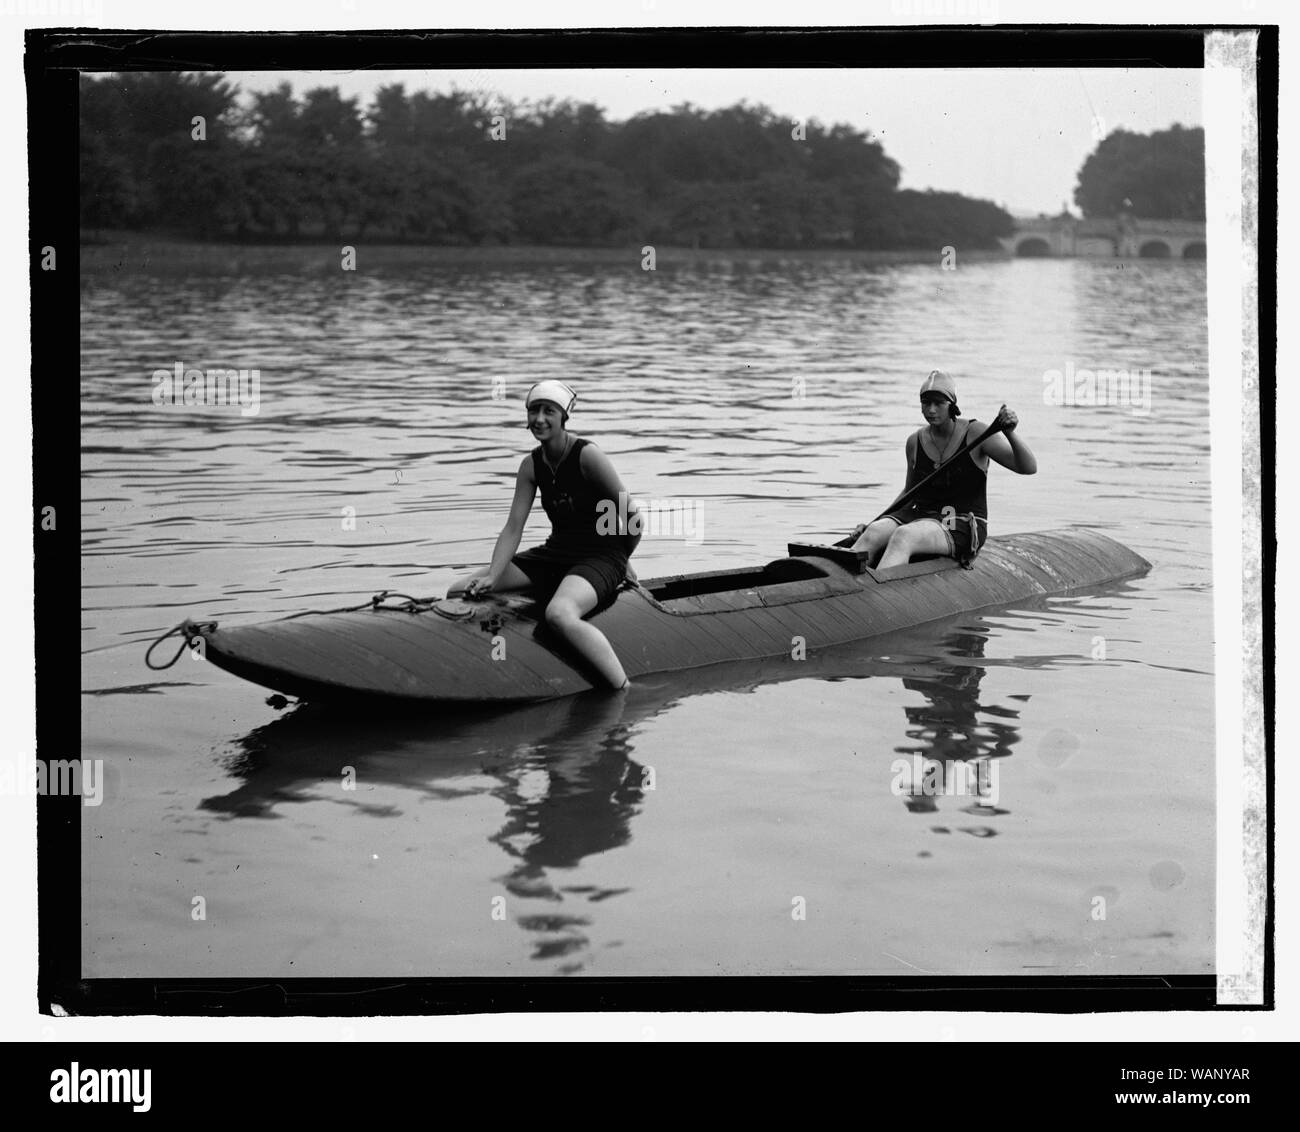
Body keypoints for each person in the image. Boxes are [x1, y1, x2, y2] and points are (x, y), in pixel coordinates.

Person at [449, 380, 639, 690]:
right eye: (533, 410)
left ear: (564, 417)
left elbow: (632, 518)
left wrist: (620, 561)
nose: (539, 419)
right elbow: (513, 527)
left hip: (599, 556)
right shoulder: (530, 466)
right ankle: (488, 662)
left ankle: (622, 688)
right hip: (555, 554)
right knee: (459, 591)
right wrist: (493, 576)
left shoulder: (588, 455)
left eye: (548, 411)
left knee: (560, 614)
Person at [849, 370, 1037, 569]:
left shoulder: (976, 433)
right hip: (922, 516)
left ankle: (880, 595)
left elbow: (1028, 467)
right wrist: (874, 521)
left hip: (961, 522)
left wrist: (1009, 434)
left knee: (904, 536)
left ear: (952, 406)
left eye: (938, 403)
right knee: (874, 533)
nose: (931, 410)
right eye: (926, 403)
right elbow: (910, 492)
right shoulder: (914, 441)